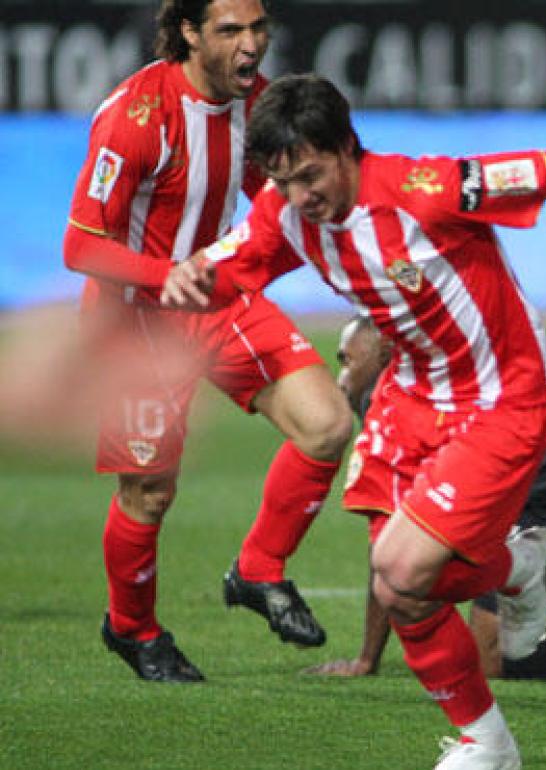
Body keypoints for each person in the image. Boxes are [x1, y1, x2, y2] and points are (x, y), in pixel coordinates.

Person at [161, 73, 546, 770]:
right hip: (414, 394)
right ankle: (492, 710)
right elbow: (225, 264)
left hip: (504, 396)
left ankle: (502, 645)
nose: (300, 197)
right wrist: (188, 277)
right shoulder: (287, 213)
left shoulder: (428, 190)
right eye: (283, 181)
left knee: (401, 570)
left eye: (310, 175)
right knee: (398, 587)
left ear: (346, 147)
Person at [63, 0, 354, 683]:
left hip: (219, 299)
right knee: (149, 493)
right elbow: (80, 244)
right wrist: (166, 275)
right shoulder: (137, 117)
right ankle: (132, 629)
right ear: (190, 33)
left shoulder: (258, 104)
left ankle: (258, 569)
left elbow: (277, 198)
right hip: (137, 319)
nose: (251, 44)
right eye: (231, 30)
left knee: (327, 425)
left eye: (258, 27)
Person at [305, 314, 546, 680]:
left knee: (494, 650)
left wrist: (367, 658)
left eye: (347, 361)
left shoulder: (409, 397)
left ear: (387, 355)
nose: (341, 380)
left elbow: (391, 535)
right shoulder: (467, 362)